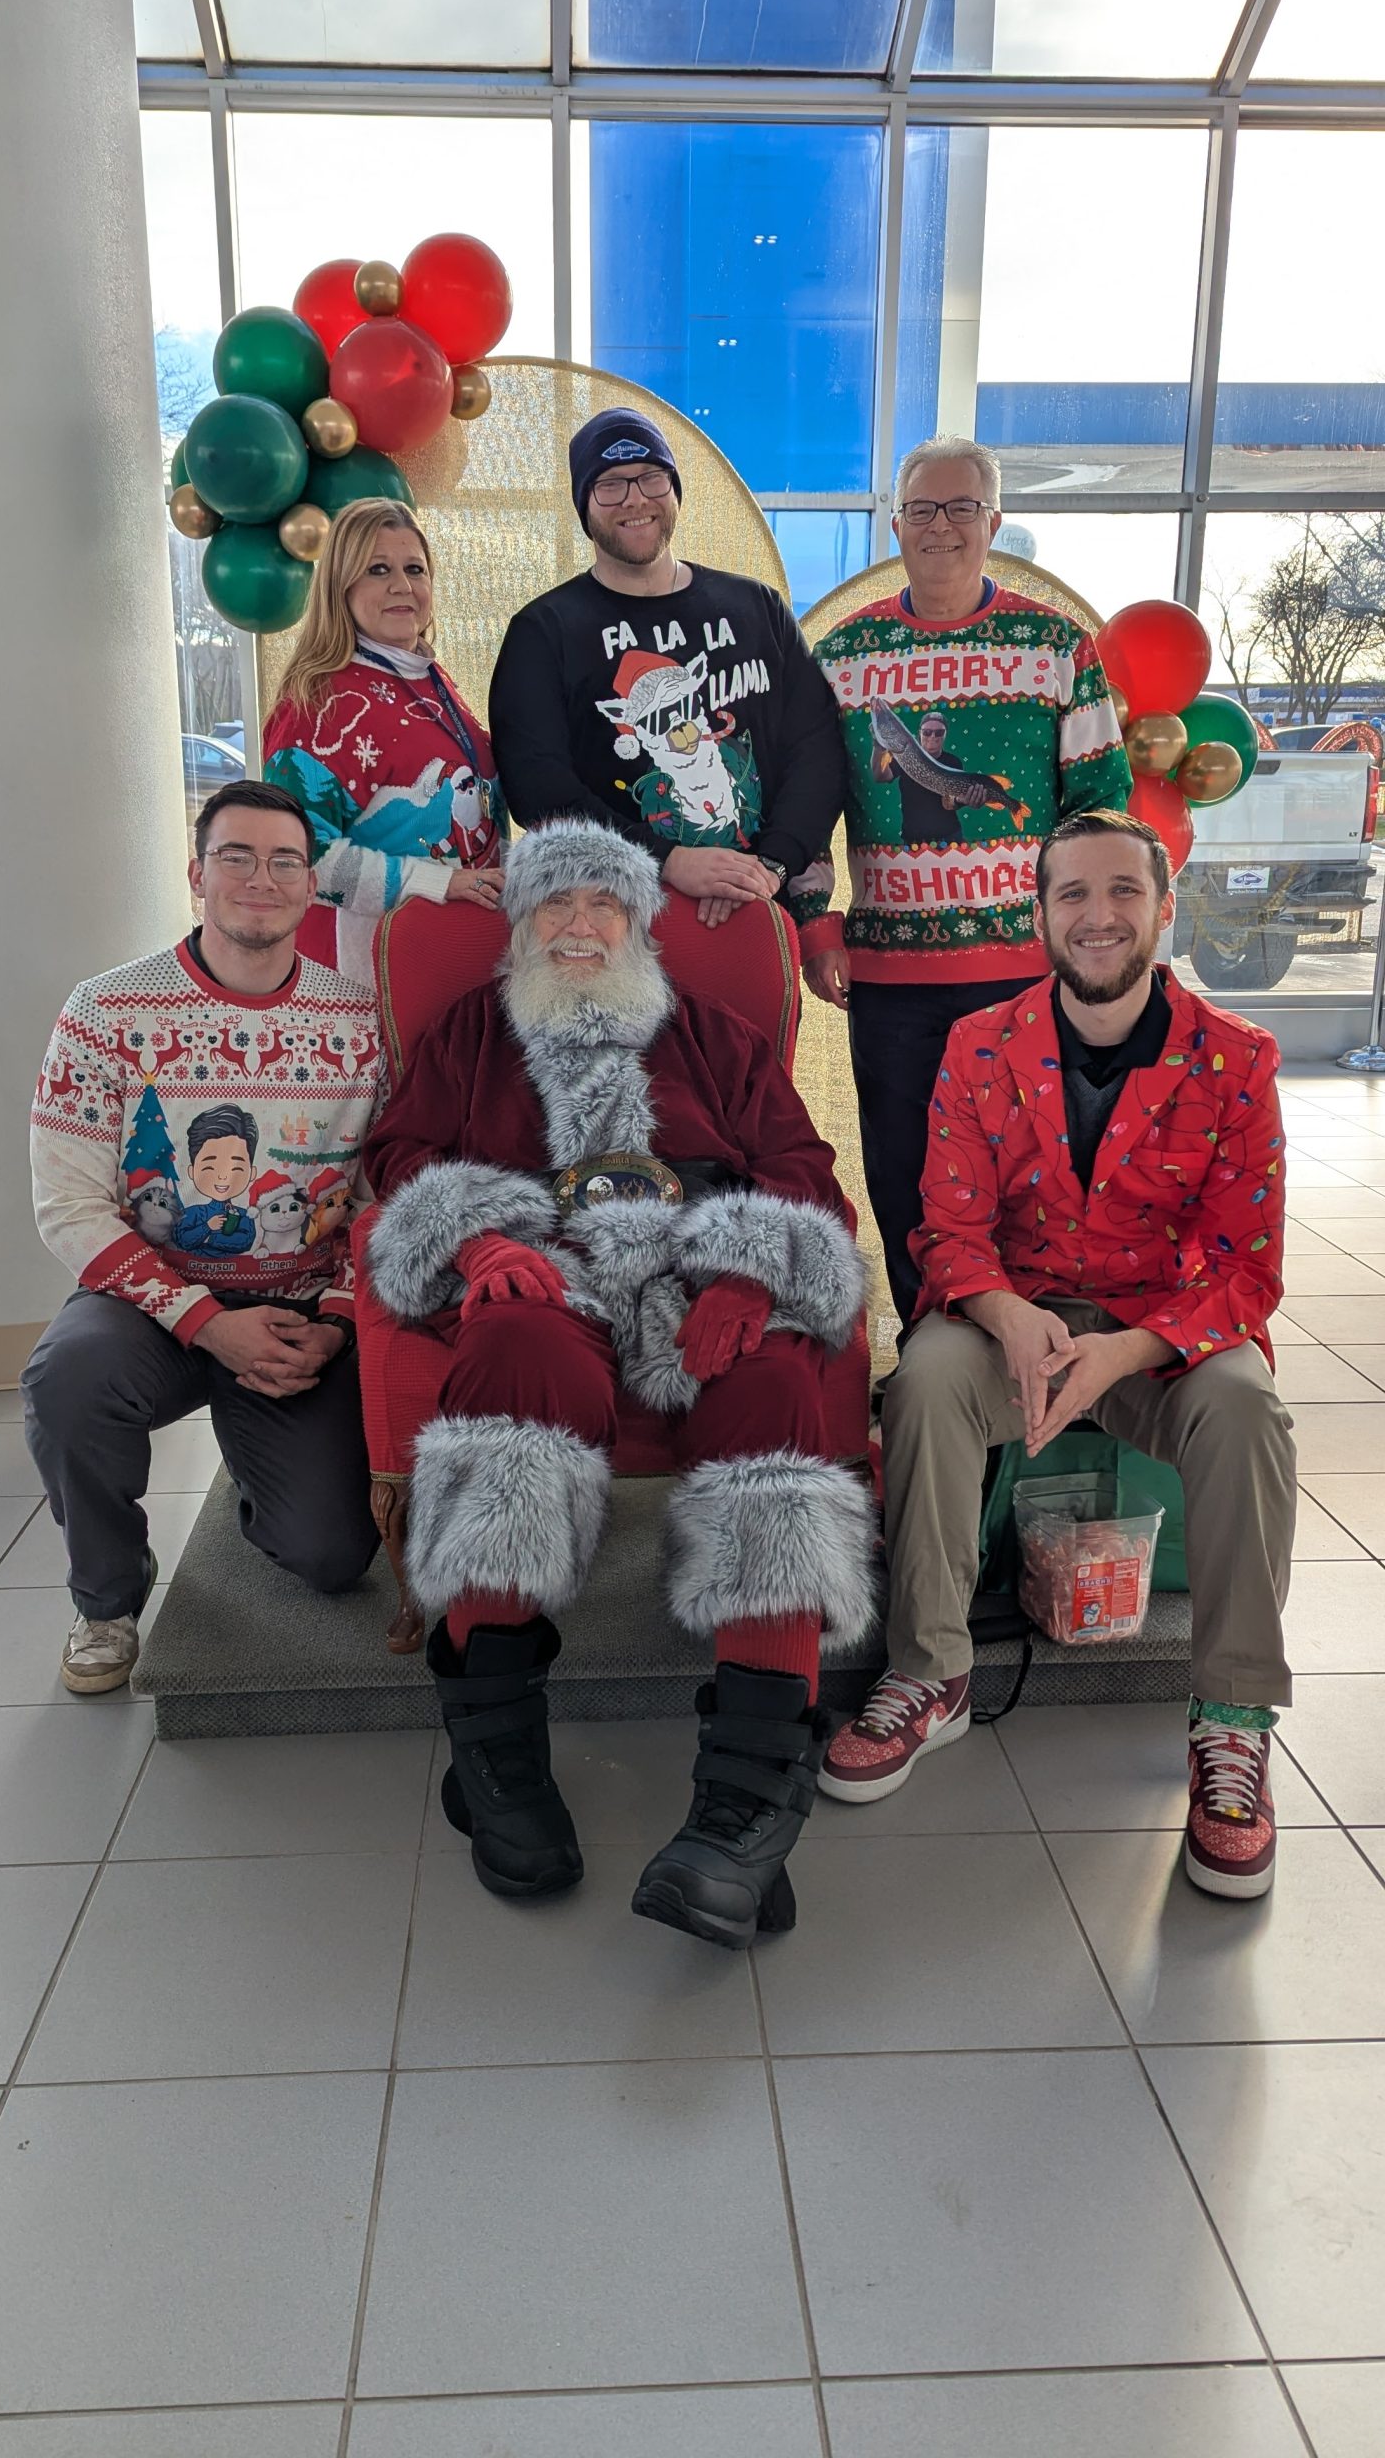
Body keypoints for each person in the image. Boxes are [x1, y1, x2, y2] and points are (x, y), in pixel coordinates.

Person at [363, 818, 873, 1949]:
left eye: (605, 904)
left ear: (640, 923)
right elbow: (400, 1158)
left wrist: (748, 1269)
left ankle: (746, 1800)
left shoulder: (715, 1037)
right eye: (557, 904)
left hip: (700, 1273)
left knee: (778, 1387)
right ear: (524, 926)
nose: (581, 923)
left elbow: (799, 1168)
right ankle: (497, 1752)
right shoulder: (470, 1035)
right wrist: (477, 1236)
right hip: (543, 1276)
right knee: (513, 1361)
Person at [822, 809, 1295, 1902]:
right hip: (1017, 1325)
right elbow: (945, 1226)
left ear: (1164, 908)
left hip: (1159, 1338)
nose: (1098, 916)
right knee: (930, 1374)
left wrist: (1129, 1347)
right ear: (1039, 914)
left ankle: (1231, 1720)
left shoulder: (1235, 1059)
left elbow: (1246, 1271)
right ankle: (930, 1671)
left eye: (1122, 892)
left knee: (1248, 1408)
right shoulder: (979, 1044)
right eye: (1072, 894)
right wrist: (997, 1310)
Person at [24, 782, 384, 1696]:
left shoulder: (361, 1023)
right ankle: (106, 1599)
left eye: (284, 862)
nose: (260, 879)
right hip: (151, 1306)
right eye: (236, 857)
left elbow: (384, 1191)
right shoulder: (106, 1012)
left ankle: (262, 1448)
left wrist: (338, 1319)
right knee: (68, 1381)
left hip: (305, 1310)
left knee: (333, 1557)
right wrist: (205, 1325)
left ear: (311, 888)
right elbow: (69, 1206)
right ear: (197, 874)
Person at [801, 435, 1134, 1318]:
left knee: (1035, 1178)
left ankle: (1035, 1353)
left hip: (1030, 978)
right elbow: (803, 802)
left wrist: (1095, 950)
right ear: (896, 523)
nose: (938, 527)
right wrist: (814, 915)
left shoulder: (1059, 645)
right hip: (892, 981)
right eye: (920, 509)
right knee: (906, 1176)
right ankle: (929, 1355)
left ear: (993, 522)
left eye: (959, 509)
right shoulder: (842, 657)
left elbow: (1103, 809)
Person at [487, 407, 846, 929]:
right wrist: (666, 860)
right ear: (584, 506)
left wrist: (770, 866)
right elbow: (537, 788)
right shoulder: (544, 632)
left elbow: (817, 748)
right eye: (609, 485)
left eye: (652, 477)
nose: (635, 498)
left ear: (676, 492)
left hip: (758, 918)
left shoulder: (757, 608)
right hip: (614, 935)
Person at [263, 496, 505, 981]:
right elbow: (297, 857)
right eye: (377, 569)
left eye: (415, 569)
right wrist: (437, 881)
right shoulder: (316, 703)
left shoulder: (430, 678)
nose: (402, 585)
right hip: (368, 977)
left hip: (458, 961)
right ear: (341, 586)